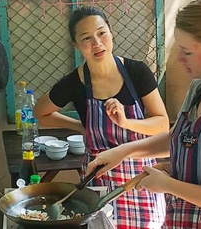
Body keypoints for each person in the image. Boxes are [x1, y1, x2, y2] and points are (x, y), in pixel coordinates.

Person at [86, 0, 201, 228]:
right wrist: (122, 152)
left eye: (187, 52)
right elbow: (179, 137)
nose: (178, 59)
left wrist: (167, 184)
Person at [33, 6, 169, 228]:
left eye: (101, 32)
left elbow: (162, 124)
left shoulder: (137, 72)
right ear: (76, 45)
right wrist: (82, 126)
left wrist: (126, 123)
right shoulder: (73, 83)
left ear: (111, 32)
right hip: (99, 176)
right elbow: (41, 113)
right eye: (86, 38)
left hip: (140, 175)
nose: (97, 43)